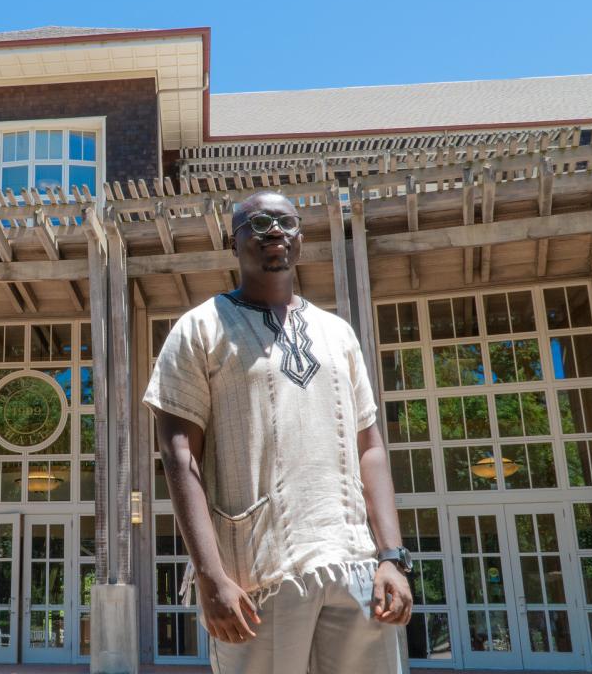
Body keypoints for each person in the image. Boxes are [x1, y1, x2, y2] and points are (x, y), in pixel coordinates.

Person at [144, 191, 413, 674]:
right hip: (256, 576)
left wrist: (391, 557)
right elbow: (179, 455)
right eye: (259, 222)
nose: (273, 231)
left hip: (353, 564)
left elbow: (370, 449)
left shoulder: (338, 334)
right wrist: (210, 577)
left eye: (285, 222)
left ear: (300, 239)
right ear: (234, 241)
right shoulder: (199, 329)